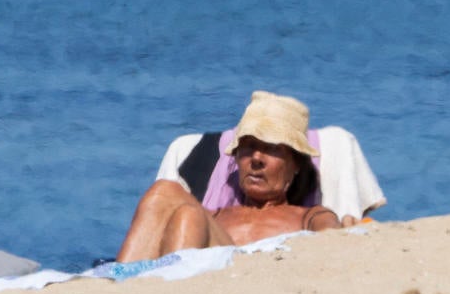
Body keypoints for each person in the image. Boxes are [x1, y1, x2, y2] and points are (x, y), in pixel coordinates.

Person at [117, 92, 343, 262]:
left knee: (189, 214)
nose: (256, 158)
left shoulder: (310, 217)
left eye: (272, 148)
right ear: (236, 156)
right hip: (201, 277)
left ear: (296, 164)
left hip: (255, 282)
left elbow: (335, 248)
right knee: (169, 195)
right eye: (248, 147)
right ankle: (118, 286)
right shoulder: (212, 216)